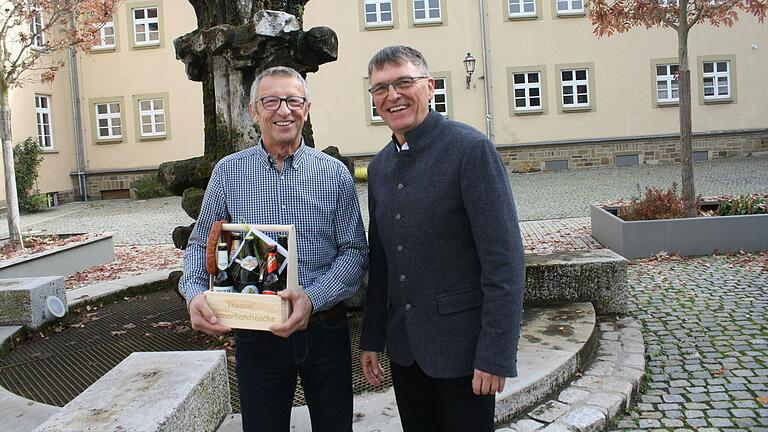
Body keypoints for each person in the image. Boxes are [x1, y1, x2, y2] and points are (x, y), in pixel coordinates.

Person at [179, 66, 368, 432]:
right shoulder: (228, 172)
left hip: (324, 330)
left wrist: (312, 298)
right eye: (271, 101)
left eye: (293, 100)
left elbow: (355, 252)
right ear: (254, 112)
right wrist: (194, 293)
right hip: (256, 334)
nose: (284, 110)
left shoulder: (334, 173)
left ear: (307, 107)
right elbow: (203, 241)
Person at [359, 46, 525, 432]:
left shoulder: (470, 150)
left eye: (403, 82)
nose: (392, 95)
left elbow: (505, 261)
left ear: (429, 87)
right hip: (405, 353)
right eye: (380, 88)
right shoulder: (380, 167)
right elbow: (381, 261)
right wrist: (372, 338)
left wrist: (495, 355)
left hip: (464, 353)